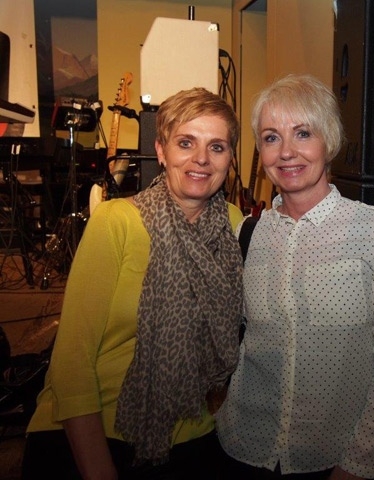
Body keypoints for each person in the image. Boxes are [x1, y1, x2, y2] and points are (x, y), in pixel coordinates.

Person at [22, 87, 244, 479]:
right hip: (95, 429)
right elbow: (71, 359)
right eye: (186, 143)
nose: (201, 159)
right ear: (161, 151)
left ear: (230, 158)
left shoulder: (235, 224)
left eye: (217, 147)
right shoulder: (116, 221)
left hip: (195, 428)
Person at [215, 74, 374, 480]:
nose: (286, 152)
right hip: (243, 447)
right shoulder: (248, 234)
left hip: (335, 459)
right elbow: (232, 338)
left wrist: (359, 463)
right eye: (271, 138)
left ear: (329, 141)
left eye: (303, 133)